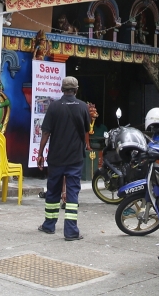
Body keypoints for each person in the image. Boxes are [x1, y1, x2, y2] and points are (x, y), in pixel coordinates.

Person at [36, 76, 91, 240]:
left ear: (62, 89)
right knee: (72, 194)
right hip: (75, 158)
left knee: (53, 192)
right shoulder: (83, 107)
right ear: (76, 90)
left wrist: (40, 153)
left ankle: (49, 226)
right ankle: (71, 231)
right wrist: (86, 146)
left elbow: (45, 132)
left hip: (56, 158)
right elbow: (86, 130)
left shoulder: (54, 107)